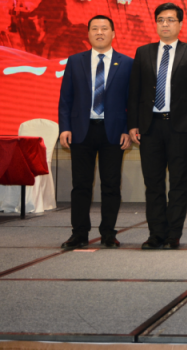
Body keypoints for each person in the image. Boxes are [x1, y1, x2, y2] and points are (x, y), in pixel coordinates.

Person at [128, 3, 187, 249]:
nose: (165, 24)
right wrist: (133, 124)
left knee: (179, 182)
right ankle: (156, 234)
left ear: (180, 24)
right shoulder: (143, 52)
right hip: (150, 127)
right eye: (161, 19)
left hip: (180, 127)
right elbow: (135, 91)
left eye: (171, 20)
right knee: (153, 183)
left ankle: (173, 234)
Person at [57, 15, 132, 249]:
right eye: (95, 29)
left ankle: (108, 233)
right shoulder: (75, 61)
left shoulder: (127, 63)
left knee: (111, 185)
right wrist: (65, 127)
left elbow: (131, 101)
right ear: (88, 33)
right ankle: (79, 234)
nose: (100, 32)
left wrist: (127, 130)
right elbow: (66, 98)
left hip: (113, 133)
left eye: (104, 28)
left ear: (113, 33)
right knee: (81, 185)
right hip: (81, 131)